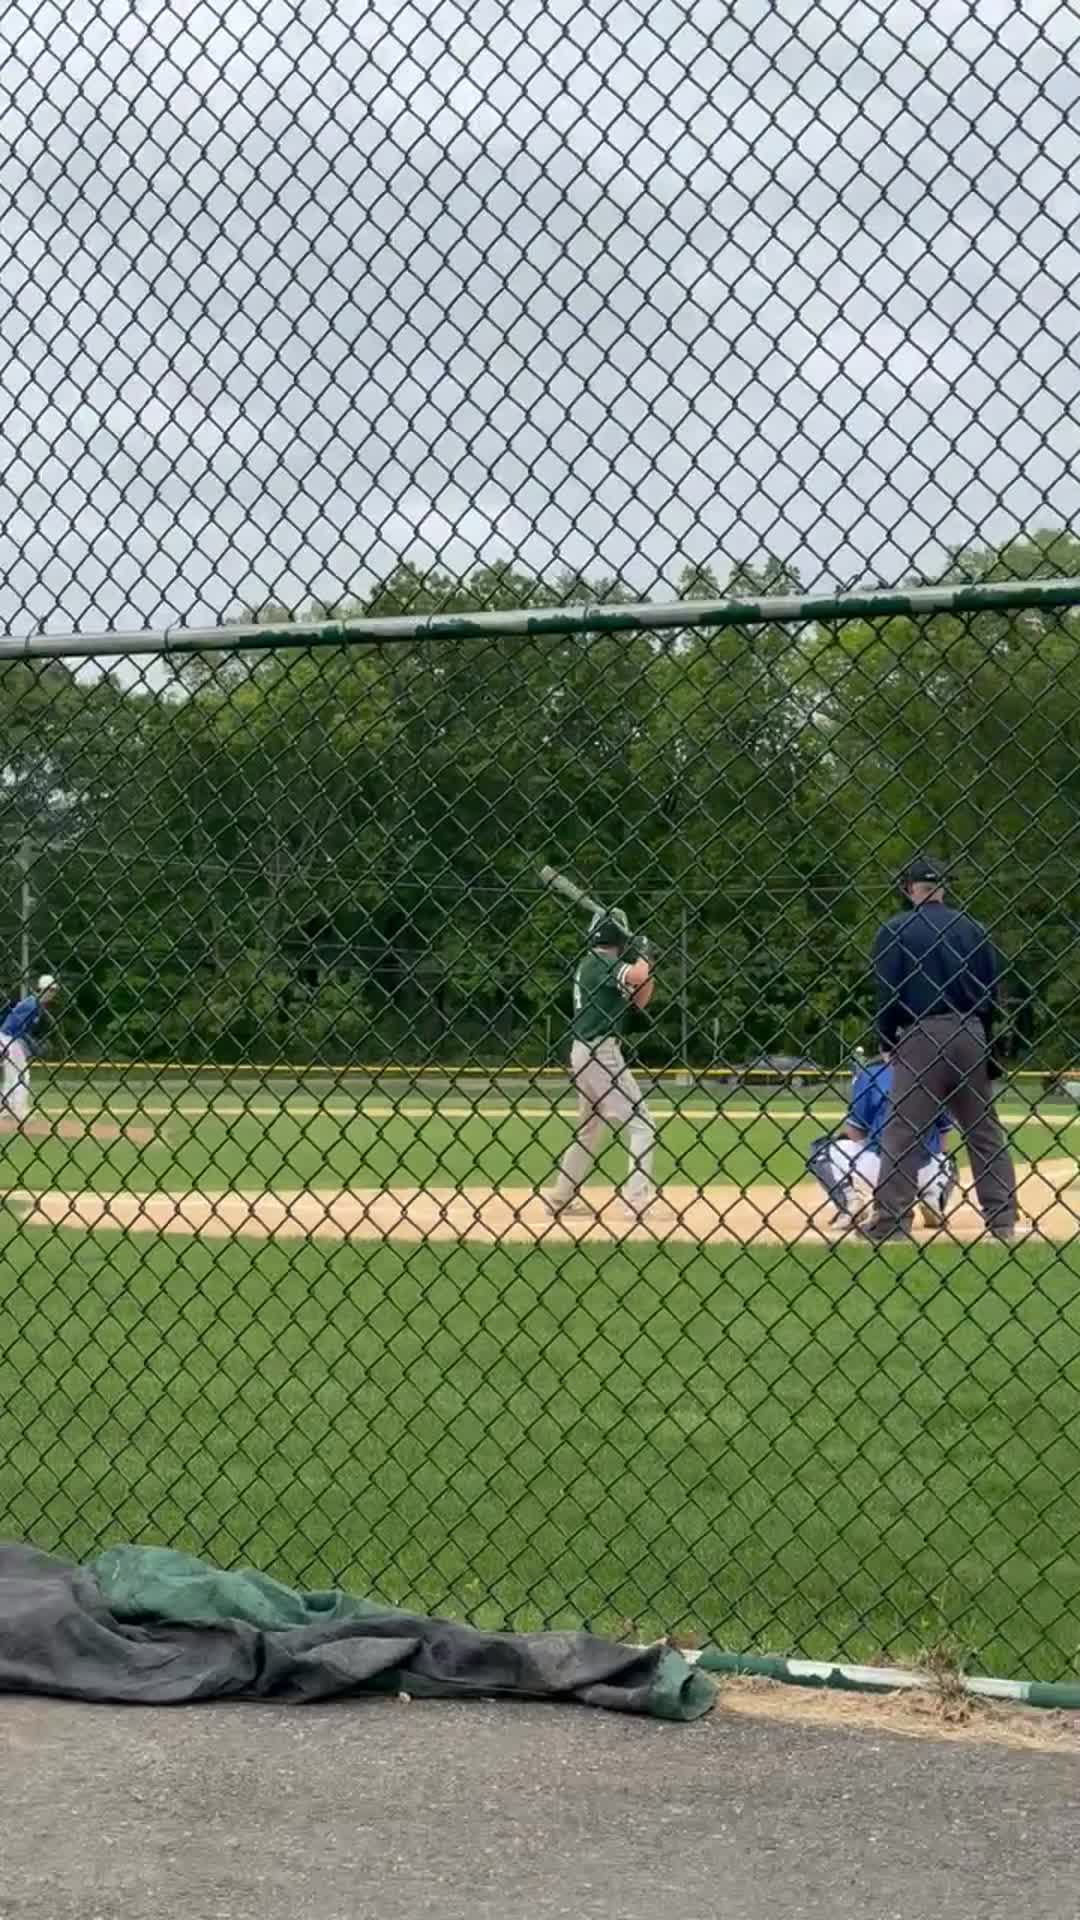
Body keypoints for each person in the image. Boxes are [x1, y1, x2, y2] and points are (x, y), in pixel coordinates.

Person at [862, 857, 1017, 1243]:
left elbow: (887, 993)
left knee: (903, 1131)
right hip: (970, 1031)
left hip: (920, 1033)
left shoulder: (896, 930)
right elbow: (992, 990)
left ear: (908, 888)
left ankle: (892, 1224)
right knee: (983, 1132)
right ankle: (1002, 1222)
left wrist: (886, 1039)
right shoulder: (973, 929)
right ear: (943, 887)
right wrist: (984, 1034)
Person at [543, 910, 656, 1219]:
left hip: (585, 1052)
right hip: (599, 1051)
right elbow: (637, 976)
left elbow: (638, 998)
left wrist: (647, 963)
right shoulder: (600, 963)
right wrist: (644, 956)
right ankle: (636, 1201)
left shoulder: (598, 965)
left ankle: (560, 1197)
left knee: (589, 1128)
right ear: (618, 937)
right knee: (643, 1125)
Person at [807, 1051, 957, 1229]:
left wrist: (872, 1142)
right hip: (924, 1171)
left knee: (821, 1148)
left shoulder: (873, 1074)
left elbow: (855, 1132)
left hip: (879, 1168)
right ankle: (933, 1198)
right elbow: (942, 1141)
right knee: (948, 1159)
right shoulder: (938, 1076)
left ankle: (850, 1202)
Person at [0, 974, 60, 1123]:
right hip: (8, 1038)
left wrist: (28, 1042)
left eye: (53, 991)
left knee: (12, 1074)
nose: (52, 994)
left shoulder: (36, 1006)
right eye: (50, 990)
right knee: (22, 1075)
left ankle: (5, 1108)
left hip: (9, 1038)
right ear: (42, 990)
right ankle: (19, 1111)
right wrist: (31, 1043)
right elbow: (15, 1025)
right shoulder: (31, 1004)